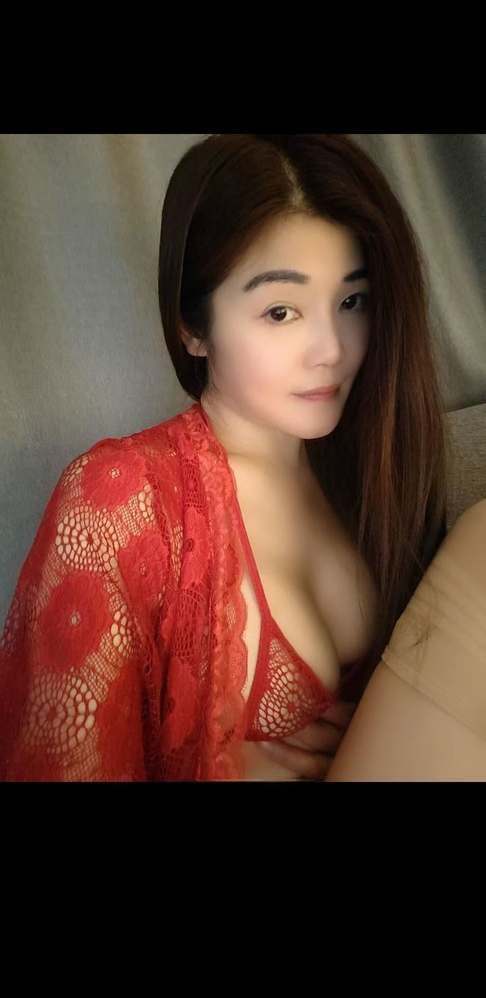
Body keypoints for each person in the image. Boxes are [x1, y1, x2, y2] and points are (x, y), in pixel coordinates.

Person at [0, 133, 461, 781]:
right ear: (192, 327)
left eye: (351, 301)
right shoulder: (119, 505)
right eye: (282, 311)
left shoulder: (377, 464)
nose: (331, 348)